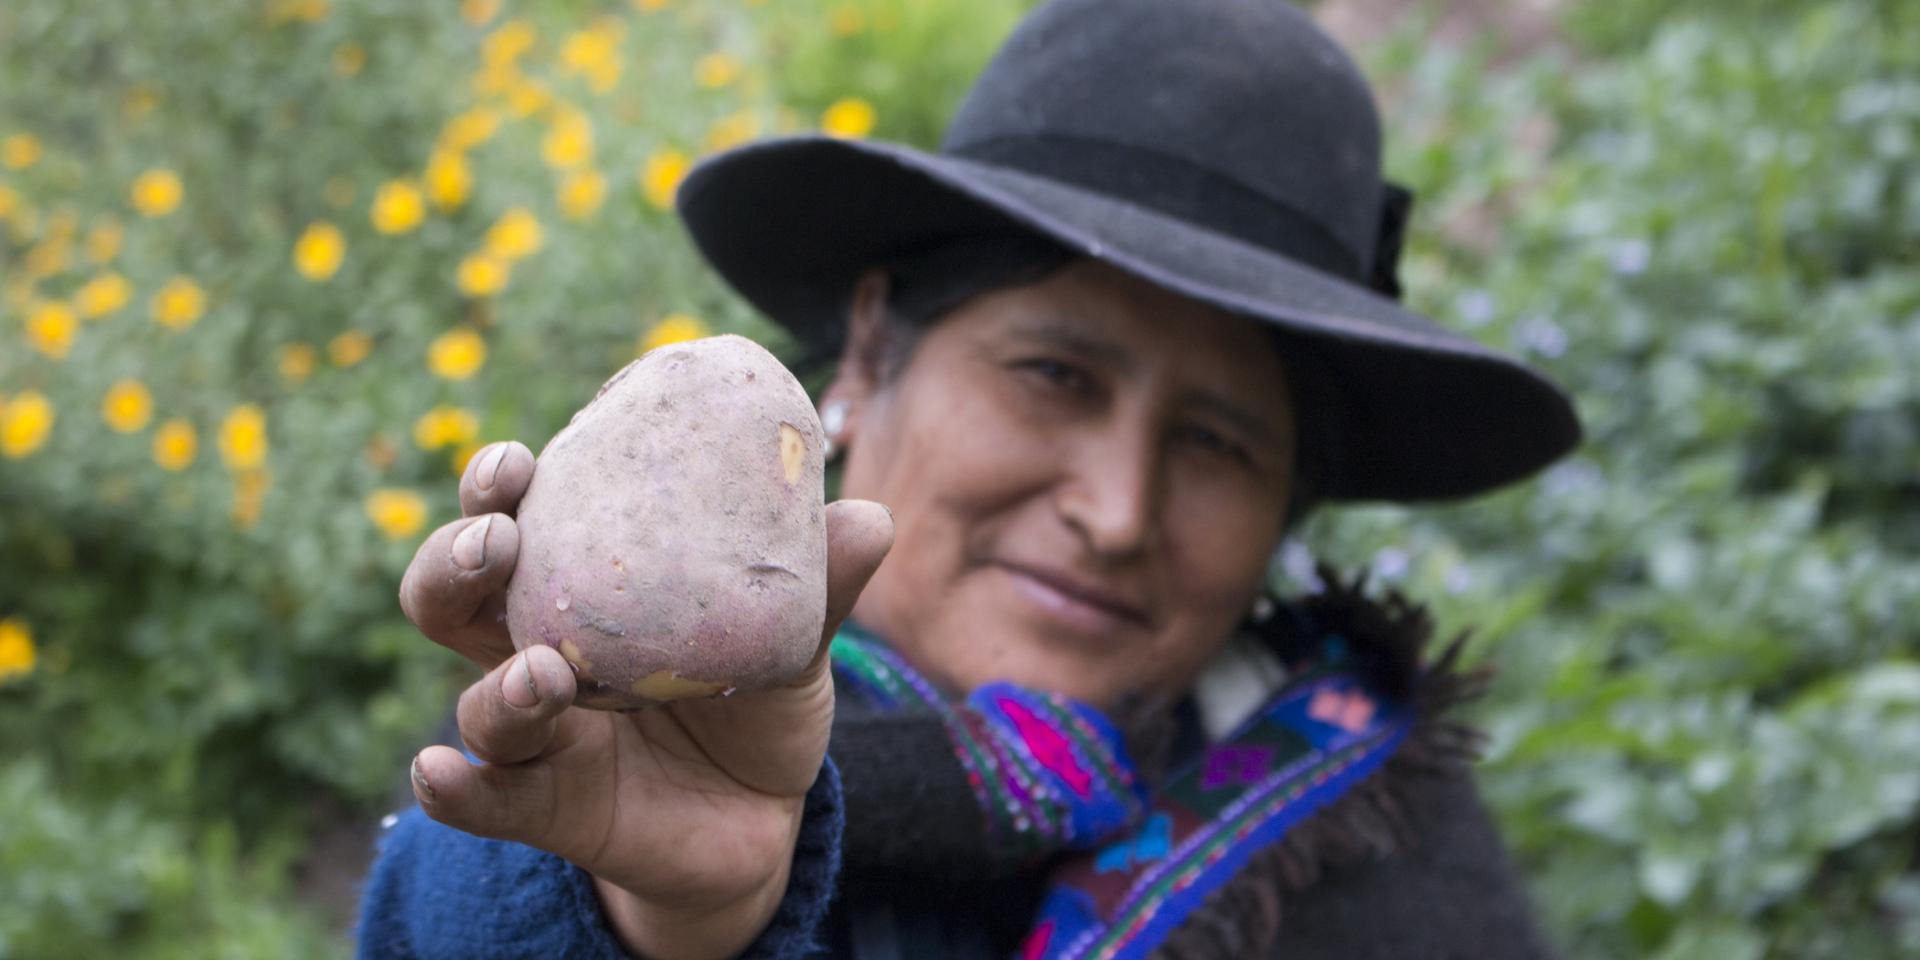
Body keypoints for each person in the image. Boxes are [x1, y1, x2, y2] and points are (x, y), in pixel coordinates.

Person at [356, 0, 1582, 957]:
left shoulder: (1355, 816)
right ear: (874, 348)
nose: (1116, 511)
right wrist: (662, 918)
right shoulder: (600, 736)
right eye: (1055, 374)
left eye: (1220, 443)